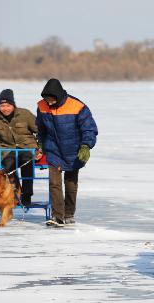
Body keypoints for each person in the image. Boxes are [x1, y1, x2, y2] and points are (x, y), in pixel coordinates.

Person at [36, 78, 98, 227]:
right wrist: (40, 145)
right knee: (54, 183)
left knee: (70, 183)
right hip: (54, 150)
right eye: (46, 99)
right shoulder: (41, 106)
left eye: (51, 99)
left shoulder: (76, 106)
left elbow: (89, 128)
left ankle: (69, 213)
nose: (49, 102)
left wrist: (86, 146)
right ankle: (57, 216)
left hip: (74, 150)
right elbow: (41, 129)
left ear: (58, 95)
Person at [0, 88, 42, 206]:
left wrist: (39, 148)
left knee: (26, 165)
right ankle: (16, 194)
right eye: (2, 106)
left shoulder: (25, 114)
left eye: (8, 105)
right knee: (8, 168)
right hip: (7, 150)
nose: (5, 108)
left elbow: (40, 131)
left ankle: (26, 195)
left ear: (13, 105)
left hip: (27, 148)